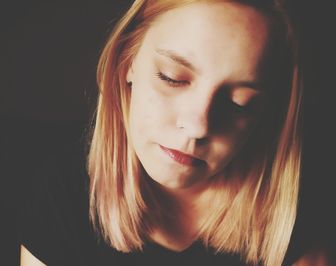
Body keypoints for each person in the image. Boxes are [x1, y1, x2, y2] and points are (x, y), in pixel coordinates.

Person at [19, 0, 333, 265]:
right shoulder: (60, 191)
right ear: (127, 61)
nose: (198, 126)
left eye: (240, 104)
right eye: (172, 78)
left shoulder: (302, 206)